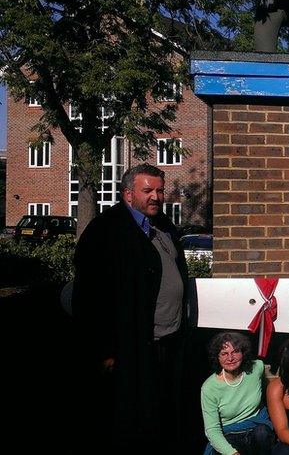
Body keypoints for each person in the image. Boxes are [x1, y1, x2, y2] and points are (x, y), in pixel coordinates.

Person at [73, 163, 189, 452]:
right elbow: (89, 296)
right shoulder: (107, 230)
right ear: (128, 194)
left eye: (160, 191)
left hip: (167, 341)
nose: (156, 197)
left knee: (162, 414)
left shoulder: (165, 226)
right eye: (147, 190)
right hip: (130, 347)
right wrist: (104, 348)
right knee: (129, 421)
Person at [201, 331, 275, 455]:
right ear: (217, 357)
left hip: (257, 427)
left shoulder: (257, 368)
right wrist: (232, 453)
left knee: (262, 433)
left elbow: (269, 392)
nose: (230, 358)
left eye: (235, 352)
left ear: (243, 353)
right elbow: (212, 429)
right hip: (229, 433)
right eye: (224, 353)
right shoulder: (209, 388)